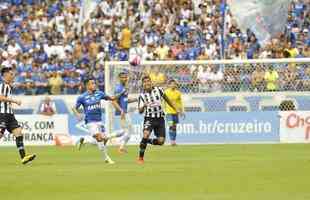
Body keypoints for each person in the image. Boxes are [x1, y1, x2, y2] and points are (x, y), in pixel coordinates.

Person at [72, 78, 125, 164]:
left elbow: (112, 98)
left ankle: (84, 141)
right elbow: (74, 108)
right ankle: (107, 158)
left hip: (99, 121)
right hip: (90, 121)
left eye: (94, 83)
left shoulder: (99, 93)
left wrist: (121, 93)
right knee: (100, 138)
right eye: (92, 83)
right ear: (87, 86)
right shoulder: (82, 97)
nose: (94, 85)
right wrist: (77, 115)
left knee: (102, 141)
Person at [137, 76, 181, 164]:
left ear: (151, 82)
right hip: (149, 118)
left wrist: (175, 108)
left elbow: (167, 100)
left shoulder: (159, 90)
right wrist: (144, 106)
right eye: (145, 82)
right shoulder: (142, 96)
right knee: (146, 134)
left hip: (160, 118)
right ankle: (140, 158)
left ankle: (146, 141)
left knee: (161, 141)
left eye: (148, 81)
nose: (147, 83)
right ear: (143, 84)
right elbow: (140, 111)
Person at [0, 67, 36, 164]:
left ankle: (23, 157)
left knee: (18, 132)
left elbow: (15, 84)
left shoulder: (8, 86)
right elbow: (1, 98)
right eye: (10, 74)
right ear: (5, 75)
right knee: (0, 134)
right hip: (3, 113)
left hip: (10, 114)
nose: (12, 76)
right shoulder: (3, 86)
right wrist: (15, 101)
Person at [114, 71, 137, 153]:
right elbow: (114, 101)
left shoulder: (124, 88)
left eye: (125, 77)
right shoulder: (118, 88)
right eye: (122, 77)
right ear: (119, 78)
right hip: (122, 113)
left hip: (125, 112)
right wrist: (121, 111)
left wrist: (135, 99)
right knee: (127, 131)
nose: (124, 79)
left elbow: (125, 100)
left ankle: (121, 147)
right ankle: (107, 138)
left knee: (127, 131)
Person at [164, 79, 185, 146]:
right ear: (169, 85)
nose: (173, 85)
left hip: (176, 112)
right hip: (168, 112)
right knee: (171, 125)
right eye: (171, 84)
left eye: (174, 84)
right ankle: (172, 141)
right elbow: (163, 102)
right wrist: (163, 110)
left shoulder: (178, 93)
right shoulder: (166, 92)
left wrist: (181, 111)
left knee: (174, 127)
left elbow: (180, 103)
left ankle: (173, 141)